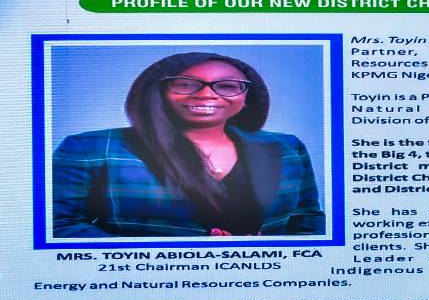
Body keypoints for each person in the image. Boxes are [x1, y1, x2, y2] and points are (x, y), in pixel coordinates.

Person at [53, 52, 324, 237]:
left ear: (246, 98)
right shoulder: (90, 148)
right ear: (157, 92)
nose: (206, 94)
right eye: (185, 84)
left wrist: (275, 254)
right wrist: (183, 255)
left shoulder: (288, 147)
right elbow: (59, 225)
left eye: (228, 86)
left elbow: (307, 220)